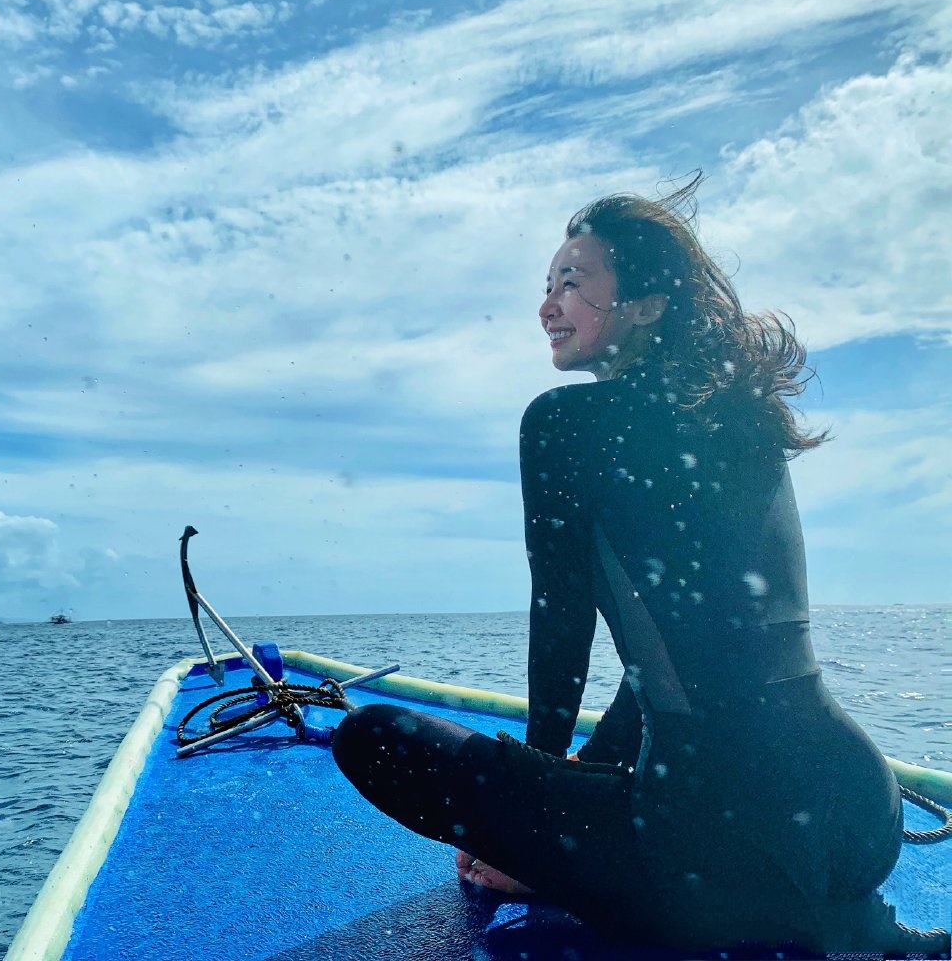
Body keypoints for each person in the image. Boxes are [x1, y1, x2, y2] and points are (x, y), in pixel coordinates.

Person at [331, 174, 949, 954]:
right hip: (859, 816)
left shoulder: (563, 423)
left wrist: (525, 837)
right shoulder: (740, 418)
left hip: (708, 850)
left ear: (648, 305)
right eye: (546, 284)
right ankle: (824, 918)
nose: (547, 304)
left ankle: (764, 911)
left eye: (571, 282)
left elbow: (561, 626)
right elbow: (689, 651)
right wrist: (581, 782)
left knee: (372, 737)